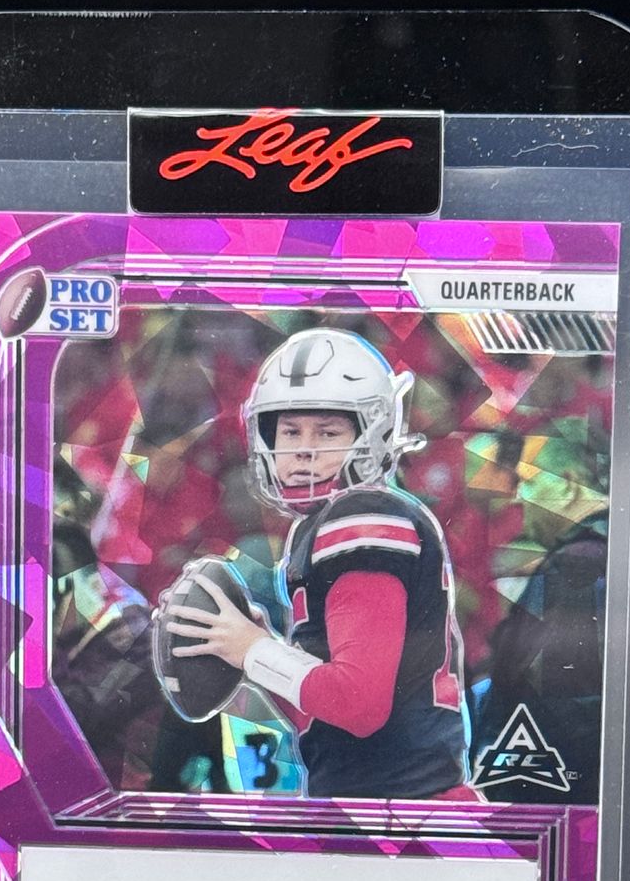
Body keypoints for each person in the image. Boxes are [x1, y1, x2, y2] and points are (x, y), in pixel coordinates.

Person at [161, 328, 472, 800]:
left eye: (327, 432)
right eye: (290, 431)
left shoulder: (361, 515)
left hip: (404, 815)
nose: (303, 449)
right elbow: (328, 720)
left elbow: (359, 705)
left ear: (373, 434)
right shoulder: (326, 522)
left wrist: (254, 649)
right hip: (380, 805)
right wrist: (260, 655)